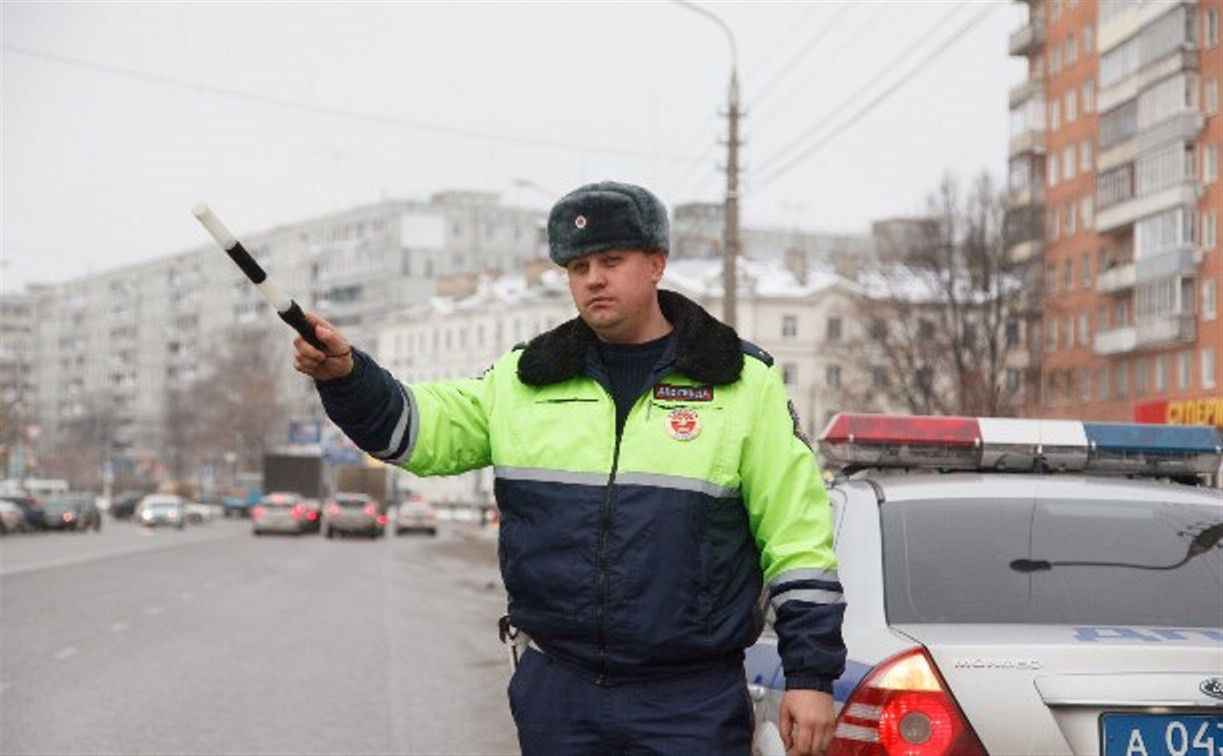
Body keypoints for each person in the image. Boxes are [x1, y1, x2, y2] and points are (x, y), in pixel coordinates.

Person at [293, 181, 846, 755]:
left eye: (612, 260)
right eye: (578, 265)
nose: (593, 278)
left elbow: (797, 538)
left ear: (657, 263)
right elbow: (415, 428)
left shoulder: (739, 385)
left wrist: (810, 676)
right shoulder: (526, 379)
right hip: (559, 692)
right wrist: (346, 375)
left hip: (689, 700)